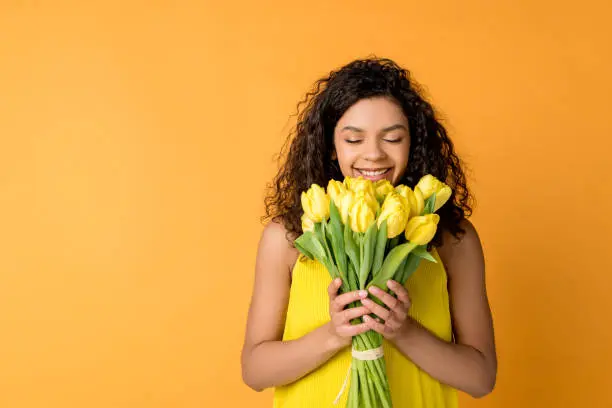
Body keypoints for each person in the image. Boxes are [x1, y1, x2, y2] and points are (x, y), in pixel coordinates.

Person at [240, 57, 497, 407]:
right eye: (354, 140)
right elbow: (255, 372)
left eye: (392, 138)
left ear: (414, 142)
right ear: (331, 145)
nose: (373, 155)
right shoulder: (287, 237)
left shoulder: (450, 237)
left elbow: (481, 379)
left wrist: (402, 330)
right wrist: (335, 333)